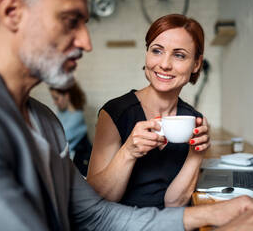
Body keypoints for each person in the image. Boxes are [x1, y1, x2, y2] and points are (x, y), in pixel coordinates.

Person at [0, 0, 253, 230]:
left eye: (179, 55)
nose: (87, 42)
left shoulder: (45, 121)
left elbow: (97, 217)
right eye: (71, 21)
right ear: (12, 12)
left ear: (196, 65)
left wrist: (217, 213)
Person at [87, 14, 210, 209]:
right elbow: (97, 198)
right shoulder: (115, 112)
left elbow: (173, 203)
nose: (164, 64)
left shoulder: (194, 121)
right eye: (157, 51)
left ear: (196, 64)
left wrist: (197, 154)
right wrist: (128, 152)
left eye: (179, 55)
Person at [50, 83, 92, 176]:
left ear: (67, 96)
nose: (55, 102)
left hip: (77, 166)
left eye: (56, 98)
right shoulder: (62, 113)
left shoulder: (77, 116)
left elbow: (56, 138)